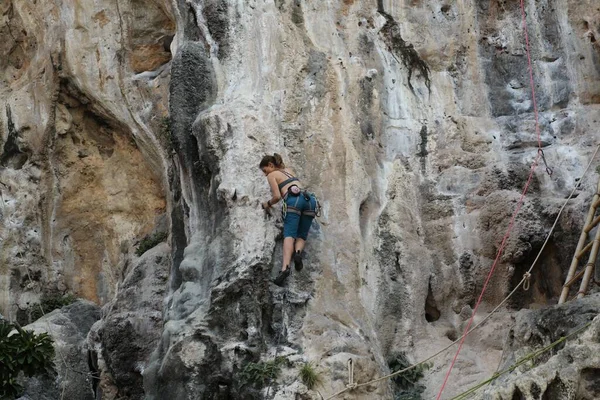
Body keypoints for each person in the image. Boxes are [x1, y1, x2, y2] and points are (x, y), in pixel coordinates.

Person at [260, 153, 317, 286]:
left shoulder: (272, 175)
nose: (265, 174)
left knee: (289, 234)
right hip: (310, 200)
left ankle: (285, 269)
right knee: (302, 234)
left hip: (294, 200)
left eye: (265, 170)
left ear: (270, 165)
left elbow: (277, 197)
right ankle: (297, 253)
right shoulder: (289, 170)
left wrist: (267, 204)